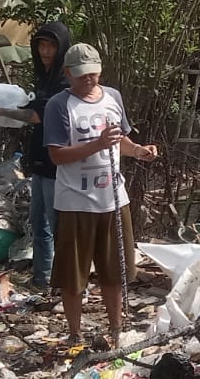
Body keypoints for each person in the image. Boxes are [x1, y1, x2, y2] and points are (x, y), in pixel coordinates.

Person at [44, 43, 159, 346]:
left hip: (113, 197)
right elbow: (57, 155)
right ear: (67, 73)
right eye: (81, 75)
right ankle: (74, 332)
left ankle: (116, 328)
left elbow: (120, 139)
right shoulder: (58, 105)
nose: (89, 80)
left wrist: (138, 151)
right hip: (75, 201)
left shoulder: (113, 98)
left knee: (115, 269)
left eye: (93, 73)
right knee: (74, 274)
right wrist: (97, 144)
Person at [0, 21, 73, 287]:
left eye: (51, 46)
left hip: (57, 164)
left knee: (57, 227)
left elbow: (37, 115)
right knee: (39, 224)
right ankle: (44, 279)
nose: (45, 51)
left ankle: (67, 282)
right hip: (40, 163)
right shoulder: (44, 76)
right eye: (41, 45)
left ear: (62, 48)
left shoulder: (63, 80)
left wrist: (1, 111)